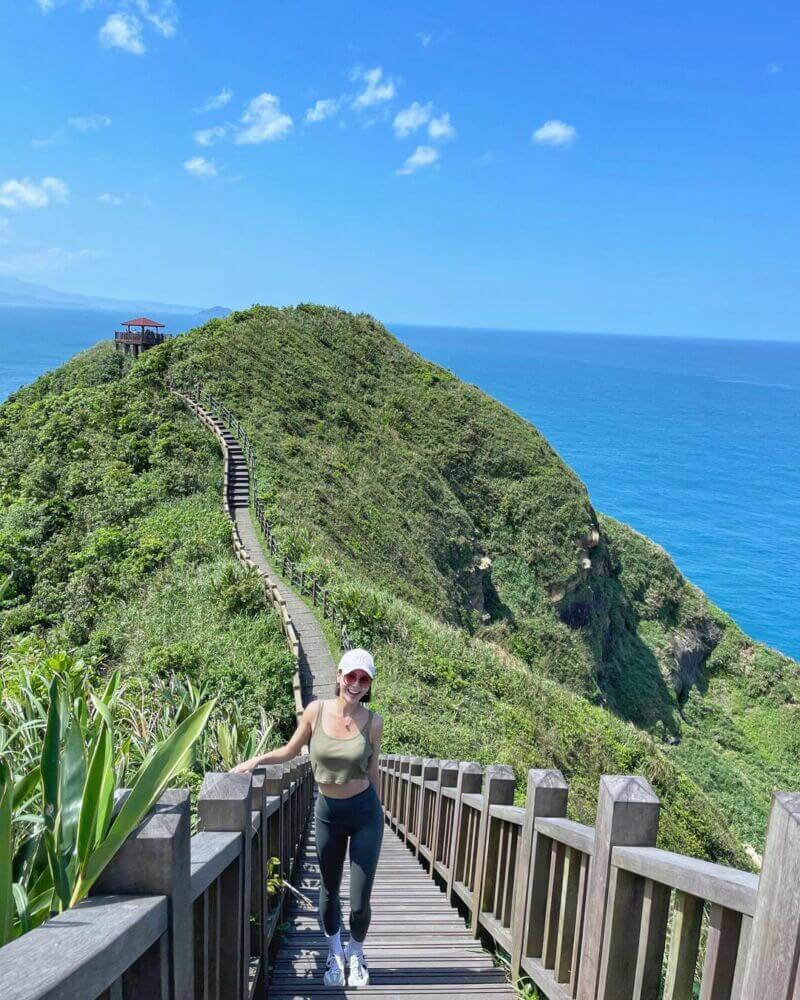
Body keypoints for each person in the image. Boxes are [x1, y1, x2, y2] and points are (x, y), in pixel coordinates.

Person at [233, 647, 384, 987]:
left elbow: (374, 773)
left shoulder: (374, 722)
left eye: (364, 679)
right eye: (351, 676)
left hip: (365, 815)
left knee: (360, 901)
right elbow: (289, 751)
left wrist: (382, 815)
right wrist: (254, 762)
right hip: (328, 813)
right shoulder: (316, 711)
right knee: (329, 890)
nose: (356, 684)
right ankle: (335, 953)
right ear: (339, 677)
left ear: (369, 684)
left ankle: (356, 951)